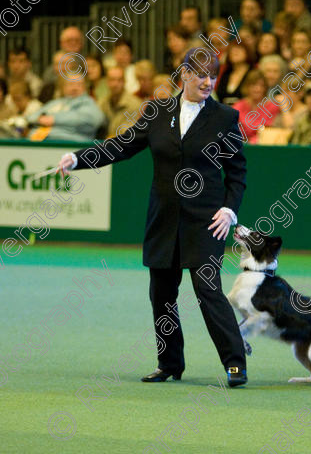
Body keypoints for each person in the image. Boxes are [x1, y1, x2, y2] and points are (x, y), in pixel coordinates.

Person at [56, 47, 248, 388]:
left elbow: (237, 173)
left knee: (208, 290)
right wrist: (77, 158)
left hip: (207, 221)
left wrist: (229, 210)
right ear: (185, 74)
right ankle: (169, 364)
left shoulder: (225, 117)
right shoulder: (157, 112)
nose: (208, 81)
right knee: (161, 294)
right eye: (201, 74)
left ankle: (235, 363)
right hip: (163, 220)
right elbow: (121, 146)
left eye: (213, 75)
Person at [28, 73, 104, 141]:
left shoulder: (88, 103)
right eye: (71, 84)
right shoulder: (55, 103)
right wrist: (40, 119)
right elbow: (31, 118)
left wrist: (55, 120)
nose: (75, 88)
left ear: (85, 88)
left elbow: (92, 121)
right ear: (63, 87)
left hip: (73, 145)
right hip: (42, 142)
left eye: (79, 84)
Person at [232, 69, 279, 142]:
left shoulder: (272, 106)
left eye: (261, 86)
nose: (257, 89)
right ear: (247, 87)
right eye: (253, 85)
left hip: (265, 146)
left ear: (265, 88)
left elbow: (273, 132)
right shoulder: (239, 106)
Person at [99, 66, 142, 138]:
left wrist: (111, 137)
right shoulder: (102, 103)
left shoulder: (135, 104)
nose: (115, 84)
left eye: (119, 80)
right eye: (112, 80)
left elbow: (129, 133)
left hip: (125, 147)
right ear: (107, 82)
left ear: (125, 82)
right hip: (104, 145)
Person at [216, 41, 253, 105]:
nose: (235, 52)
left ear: (247, 52)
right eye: (232, 50)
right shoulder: (225, 74)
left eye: (239, 49)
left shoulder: (253, 73)